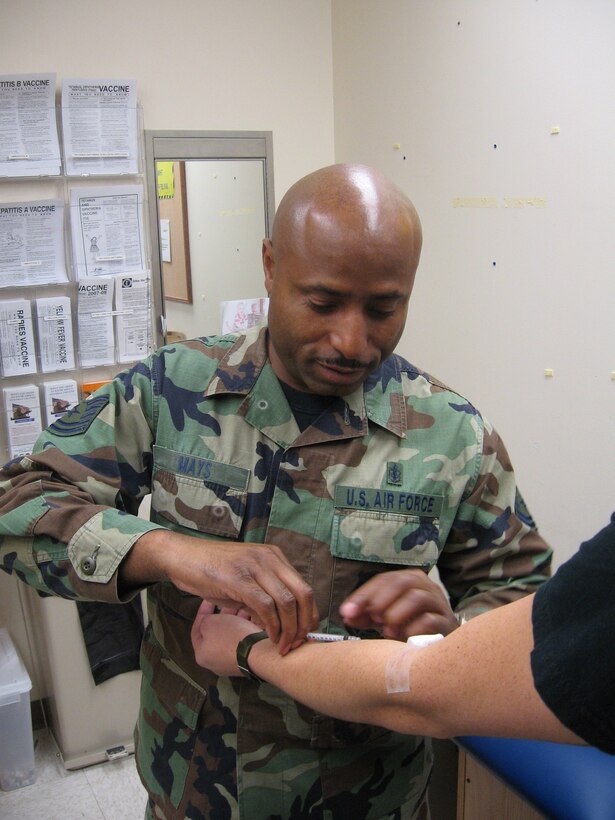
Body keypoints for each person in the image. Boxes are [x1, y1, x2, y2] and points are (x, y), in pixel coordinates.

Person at [0, 164, 552, 819]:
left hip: (368, 799)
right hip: (194, 791)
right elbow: (19, 505)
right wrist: (168, 550)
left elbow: (526, 612)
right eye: (321, 302)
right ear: (269, 265)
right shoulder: (169, 389)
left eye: (383, 308)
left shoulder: (451, 434)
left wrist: (449, 639)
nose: (351, 340)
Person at [192, 513, 615, 757]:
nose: (349, 352)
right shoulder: (166, 386)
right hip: (199, 764)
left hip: (371, 778)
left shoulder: (459, 429)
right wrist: (167, 550)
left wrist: (250, 649)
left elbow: (425, 685)